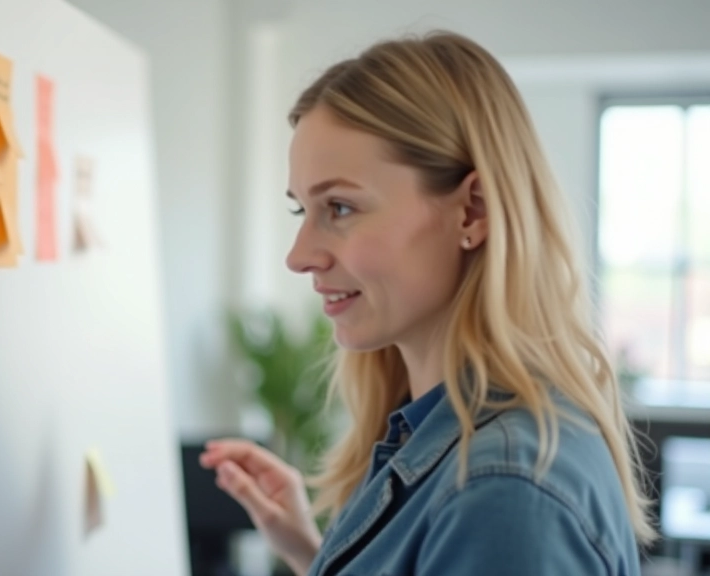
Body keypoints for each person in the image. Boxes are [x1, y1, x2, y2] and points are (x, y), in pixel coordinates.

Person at [199, 30, 655, 576]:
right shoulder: (442, 441)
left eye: (340, 207)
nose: (299, 257)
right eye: (303, 210)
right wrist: (312, 553)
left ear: (472, 212)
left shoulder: (503, 495)